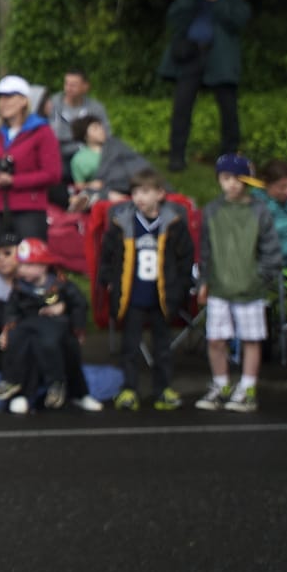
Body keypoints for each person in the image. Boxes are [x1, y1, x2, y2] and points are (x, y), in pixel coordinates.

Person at [99, 168, 195, 412]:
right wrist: (108, 279)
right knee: (129, 346)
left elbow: (185, 258)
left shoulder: (173, 223)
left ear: (160, 194)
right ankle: (129, 388)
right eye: (135, 192)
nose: (139, 197)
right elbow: (107, 255)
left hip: (162, 297)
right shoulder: (122, 222)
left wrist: (182, 286)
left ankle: (162, 388)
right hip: (132, 296)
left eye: (145, 192)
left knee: (163, 347)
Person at [195, 153, 280, 413]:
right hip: (219, 288)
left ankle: (247, 388)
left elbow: (271, 250)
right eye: (225, 178)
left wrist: (259, 277)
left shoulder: (259, 211)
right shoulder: (211, 211)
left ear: (246, 181)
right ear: (219, 180)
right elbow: (206, 251)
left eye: (236, 179)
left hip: (250, 290)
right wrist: (204, 281)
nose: (231, 184)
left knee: (251, 340)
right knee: (216, 340)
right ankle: (221, 385)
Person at [157, 0, 248, 171]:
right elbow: (174, 19)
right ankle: (176, 156)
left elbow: (239, 21)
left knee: (228, 110)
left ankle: (228, 159)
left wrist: (216, 0)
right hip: (191, 56)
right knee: (181, 107)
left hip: (219, 59)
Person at [0, 238, 98, 415]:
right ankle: (17, 387)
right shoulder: (19, 288)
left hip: (60, 332)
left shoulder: (60, 284)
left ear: (42, 266)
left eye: (26, 266)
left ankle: (68, 389)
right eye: (21, 265)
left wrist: (71, 318)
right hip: (31, 332)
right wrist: (7, 330)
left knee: (51, 344)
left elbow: (79, 304)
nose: (20, 270)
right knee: (19, 340)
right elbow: (11, 311)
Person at [0, 75, 60, 245]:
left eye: (9, 97)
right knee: (1, 263)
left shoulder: (42, 131)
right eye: (0, 98)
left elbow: (52, 174)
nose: (3, 102)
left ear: (24, 101)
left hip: (29, 208)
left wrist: (14, 181)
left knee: (30, 263)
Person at [65, 119, 150, 213]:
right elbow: (78, 185)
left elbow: (132, 160)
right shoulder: (79, 159)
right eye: (95, 128)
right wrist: (90, 184)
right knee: (100, 192)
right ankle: (95, 198)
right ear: (85, 135)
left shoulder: (115, 145)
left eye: (101, 126)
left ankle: (97, 197)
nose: (101, 130)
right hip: (105, 186)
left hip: (126, 179)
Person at [45, 70, 111, 165]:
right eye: (66, 84)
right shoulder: (52, 105)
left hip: (88, 155)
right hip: (59, 155)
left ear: (85, 87)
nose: (69, 88)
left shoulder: (96, 108)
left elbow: (106, 134)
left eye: (74, 85)